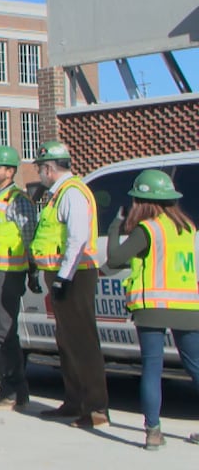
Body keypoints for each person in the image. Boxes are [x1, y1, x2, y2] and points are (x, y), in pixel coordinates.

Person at [104, 169, 199, 450]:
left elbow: (116, 257)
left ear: (143, 201)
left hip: (153, 306)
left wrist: (114, 229)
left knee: (152, 368)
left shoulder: (149, 228)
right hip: (188, 306)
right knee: (195, 367)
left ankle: (153, 432)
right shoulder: (187, 227)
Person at [28, 141, 109, 428]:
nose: (39, 173)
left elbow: (78, 237)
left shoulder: (72, 193)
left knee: (82, 341)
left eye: (40, 168)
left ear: (49, 168)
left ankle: (96, 408)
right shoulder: (58, 194)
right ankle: (74, 401)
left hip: (74, 275)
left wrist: (63, 276)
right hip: (64, 274)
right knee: (67, 340)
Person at [0, 146, 40, 411]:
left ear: (10, 171)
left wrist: (32, 271)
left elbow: (29, 237)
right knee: (4, 331)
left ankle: (12, 390)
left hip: (8, 274)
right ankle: (16, 390)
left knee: (4, 333)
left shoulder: (17, 200)